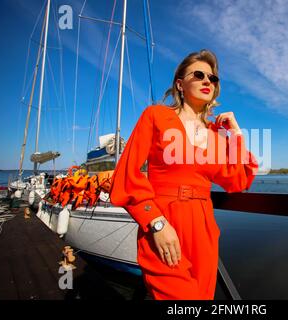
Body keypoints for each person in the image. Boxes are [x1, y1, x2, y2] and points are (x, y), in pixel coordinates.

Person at [110, 49, 258, 300]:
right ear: (180, 84)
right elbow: (126, 174)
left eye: (212, 78)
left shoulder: (216, 136)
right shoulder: (156, 116)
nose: (207, 81)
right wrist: (155, 223)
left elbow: (239, 180)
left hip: (203, 231)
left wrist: (236, 134)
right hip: (163, 223)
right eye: (198, 75)